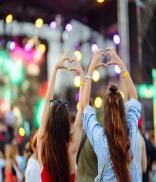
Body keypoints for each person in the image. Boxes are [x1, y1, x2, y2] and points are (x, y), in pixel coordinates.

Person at [82, 47, 142, 182]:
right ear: (122, 108)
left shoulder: (99, 137)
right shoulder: (130, 132)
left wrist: (91, 69)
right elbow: (134, 97)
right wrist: (121, 64)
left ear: (105, 112)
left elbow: (85, 105)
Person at [37, 54, 84, 182]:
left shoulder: (42, 145)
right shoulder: (72, 147)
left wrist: (55, 69)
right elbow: (82, 108)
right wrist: (81, 75)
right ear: (67, 124)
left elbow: (47, 102)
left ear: (50, 124)